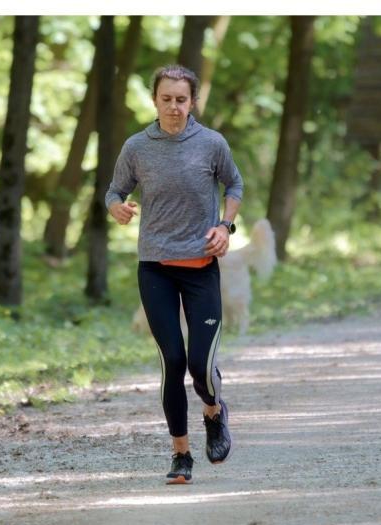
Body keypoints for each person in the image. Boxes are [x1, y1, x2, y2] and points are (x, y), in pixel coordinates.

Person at [106, 64, 243, 484]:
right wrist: (116, 207)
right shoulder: (136, 147)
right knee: (172, 361)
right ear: (155, 101)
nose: (174, 107)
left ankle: (215, 412)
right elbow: (115, 191)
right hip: (156, 269)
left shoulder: (211, 144)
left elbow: (234, 186)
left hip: (201, 268)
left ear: (192, 101)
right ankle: (180, 454)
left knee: (201, 366)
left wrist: (225, 226)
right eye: (166, 99)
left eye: (181, 99)